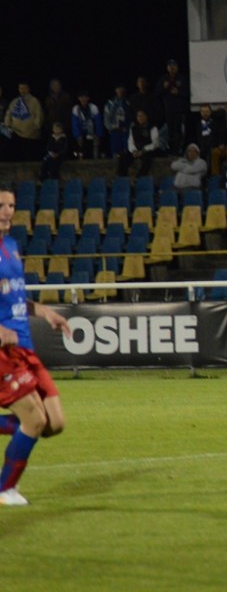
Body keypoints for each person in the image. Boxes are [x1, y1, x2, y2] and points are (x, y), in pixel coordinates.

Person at [0, 182, 71, 505]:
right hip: (4, 352)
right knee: (35, 420)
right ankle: (4, 489)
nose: (7, 212)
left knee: (54, 423)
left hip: (25, 346)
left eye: (11, 206)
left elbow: (15, 296)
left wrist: (43, 311)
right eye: (1, 206)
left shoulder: (11, 245)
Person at [117, 109, 159, 178]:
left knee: (147, 159)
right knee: (123, 157)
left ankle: (139, 178)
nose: (140, 118)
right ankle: (122, 177)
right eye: (139, 116)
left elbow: (155, 143)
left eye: (142, 116)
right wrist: (134, 150)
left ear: (146, 117)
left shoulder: (152, 128)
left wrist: (143, 150)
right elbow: (130, 141)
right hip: (136, 150)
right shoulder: (134, 128)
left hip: (147, 151)